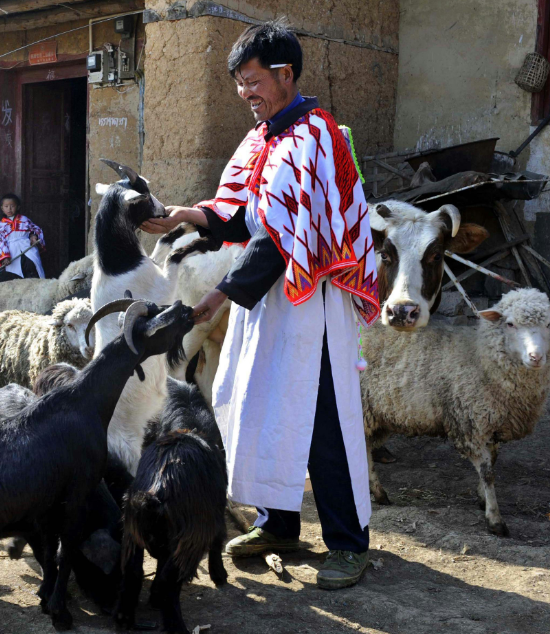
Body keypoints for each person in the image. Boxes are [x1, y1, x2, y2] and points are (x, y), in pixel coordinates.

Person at [142, 21, 380, 590]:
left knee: (322, 419)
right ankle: (279, 525)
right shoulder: (262, 140)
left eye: (253, 82)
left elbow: (285, 236)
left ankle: (349, 544)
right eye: (239, 85)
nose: (246, 94)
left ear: (285, 74)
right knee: (267, 405)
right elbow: (240, 214)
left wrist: (221, 295)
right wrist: (181, 214)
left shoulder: (315, 136)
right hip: (269, 298)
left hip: (313, 302)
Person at [0, 193, 46, 279]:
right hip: (11, 252)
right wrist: (4, 257)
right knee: (15, 275)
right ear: (2, 208)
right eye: (6, 206)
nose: (9, 209)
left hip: (27, 248)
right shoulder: (0, 225)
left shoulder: (24, 219)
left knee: (33, 267)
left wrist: (33, 237)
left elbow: (35, 229)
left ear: (18, 207)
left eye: (12, 206)